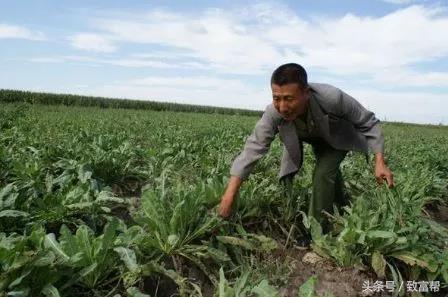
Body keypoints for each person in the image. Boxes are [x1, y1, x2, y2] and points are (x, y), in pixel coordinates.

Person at [218, 63, 394, 236]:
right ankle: (342, 206)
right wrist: (229, 195)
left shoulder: (332, 97)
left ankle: (316, 233)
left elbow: (368, 122)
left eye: (289, 98)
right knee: (323, 174)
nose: (282, 107)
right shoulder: (274, 112)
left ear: (306, 93)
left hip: (339, 137)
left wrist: (379, 162)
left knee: (323, 173)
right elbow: (253, 148)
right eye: (276, 98)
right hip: (312, 138)